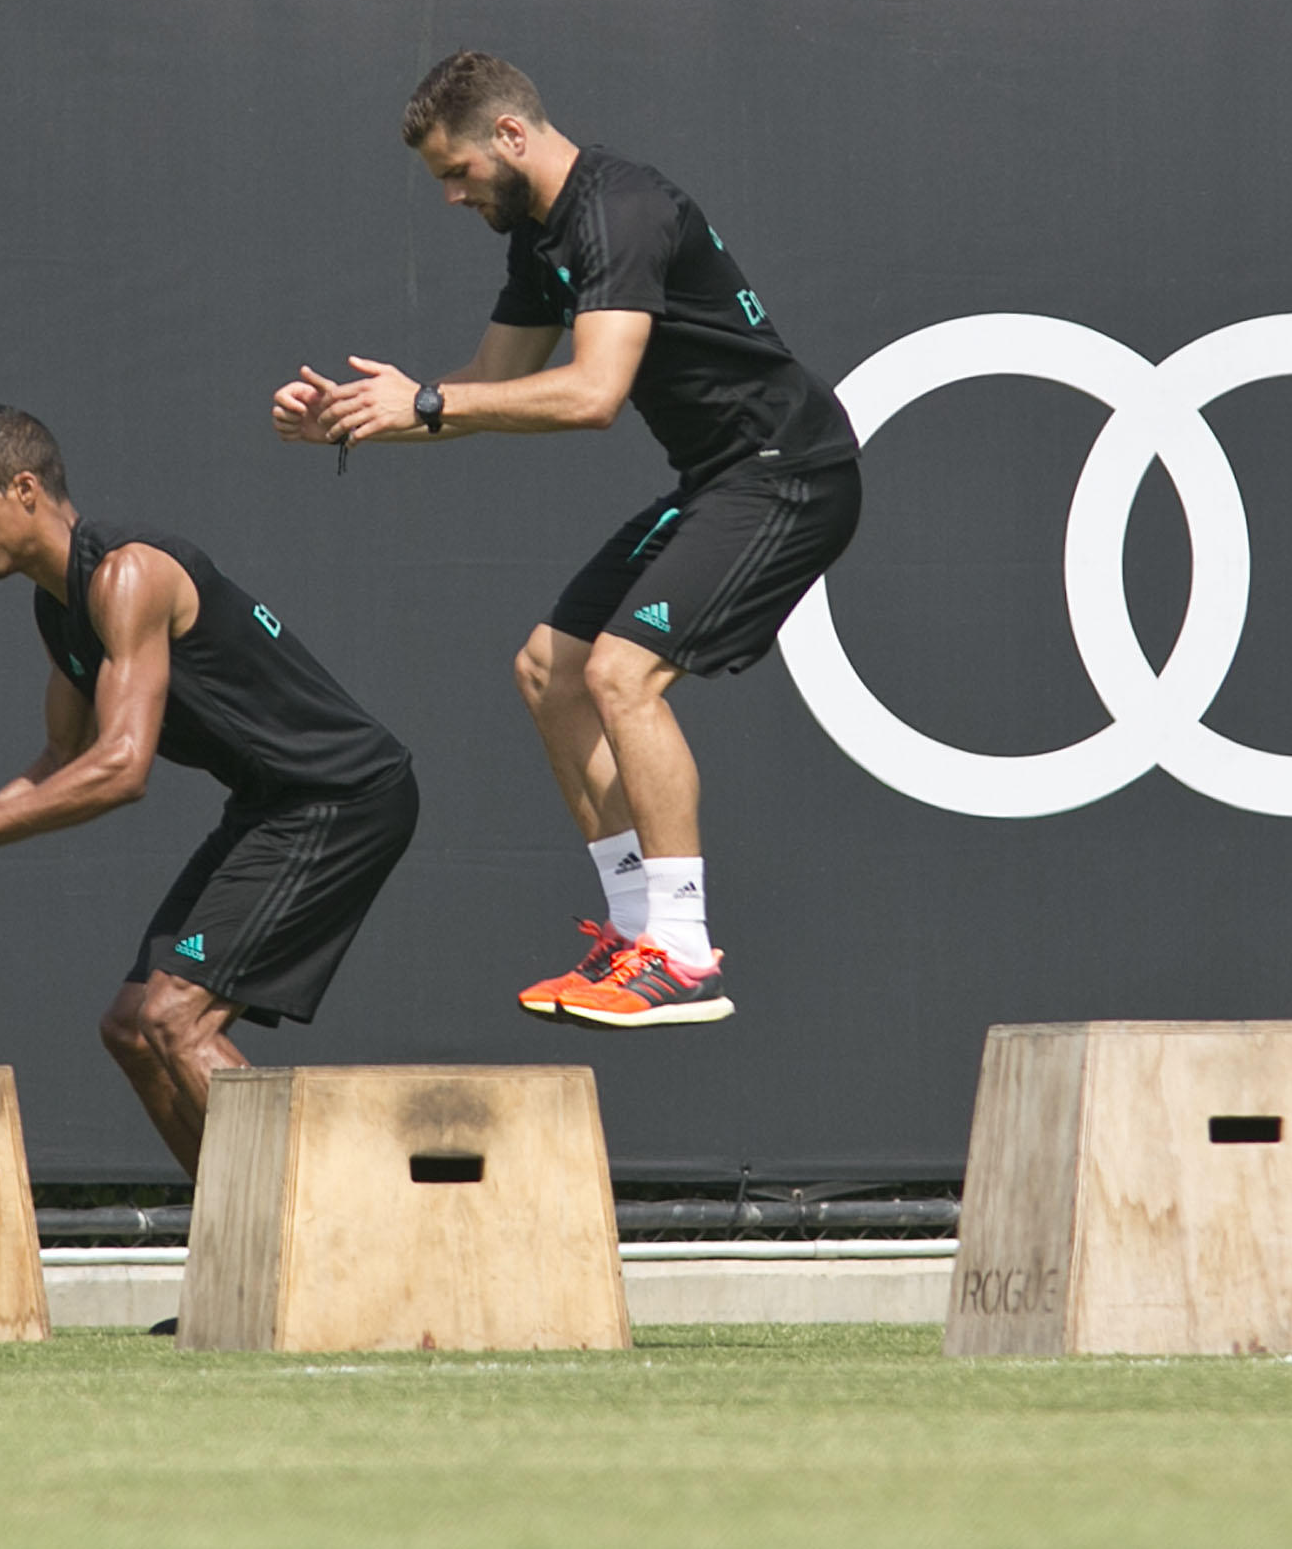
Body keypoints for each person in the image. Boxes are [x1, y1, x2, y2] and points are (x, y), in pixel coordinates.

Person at [270, 50, 861, 1028]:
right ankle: (638, 936)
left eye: (457, 173)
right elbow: (487, 383)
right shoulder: (539, 239)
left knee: (622, 673)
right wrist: (357, 414)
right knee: (552, 669)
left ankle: (680, 950)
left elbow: (591, 396)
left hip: (788, 471)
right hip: (722, 477)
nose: (453, 196)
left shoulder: (616, 211)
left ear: (510, 135)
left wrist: (424, 401)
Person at [0, 406, 417, 1179]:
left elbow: (121, 768)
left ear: (24, 490)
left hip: (341, 799)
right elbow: (64, 757)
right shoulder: (60, 607)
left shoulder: (129, 574)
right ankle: (233, 1269)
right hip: (270, 807)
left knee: (176, 1018)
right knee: (131, 1028)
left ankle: (324, 1254)